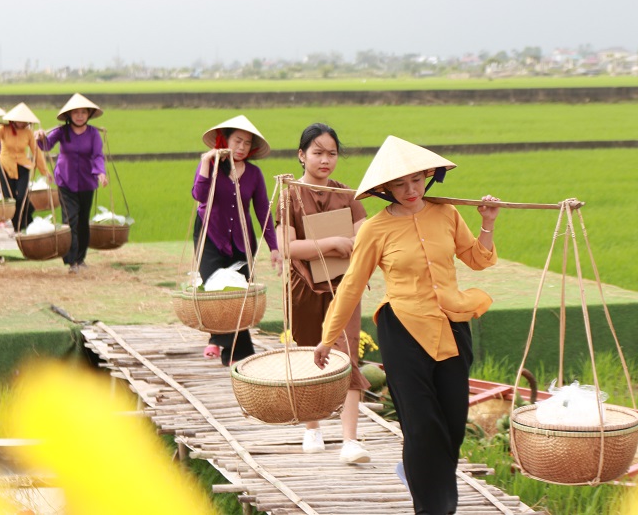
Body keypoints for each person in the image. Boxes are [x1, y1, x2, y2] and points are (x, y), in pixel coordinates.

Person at [314, 135, 500, 515]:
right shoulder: (374, 230)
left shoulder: (447, 213)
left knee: (452, 420)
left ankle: (414, 472)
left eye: (416, 180)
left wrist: (488, 223)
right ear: (385, 188)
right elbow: (350, 285)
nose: (410, 190)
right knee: (420, 421)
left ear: (428, 175)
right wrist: (327, 338)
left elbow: (479, 260)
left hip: (451, 325)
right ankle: (434, 508)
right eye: (399, 184)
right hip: (402, 329)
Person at [280, 123, 370, 463]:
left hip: (343, 285)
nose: (325, 160)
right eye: (317, 152)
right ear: (302, 155)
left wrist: (352, 244)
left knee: (347, 355)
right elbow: (287, 247)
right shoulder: (288, 193)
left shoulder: (347, 194)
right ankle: (312, 428)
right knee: (307, 353)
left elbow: (364, 236)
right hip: (302, 286)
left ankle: (350, 439)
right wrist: (332, 243)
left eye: (331, 153)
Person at [191, 115, 282, 366]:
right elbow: (199, 195)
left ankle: (223, 344)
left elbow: (263, 210)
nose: (241, 147)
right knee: (215, 287)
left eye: (246, 143)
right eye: (237, 141)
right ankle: (236, 352)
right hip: (210, 235)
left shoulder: (254, 173)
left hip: (242, 241)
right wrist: (206, 162)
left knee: (238, 295)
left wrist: (274, 247)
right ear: (225, 141)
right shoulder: (212, 167)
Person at [37, 93, 108, 274]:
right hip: (65, 181)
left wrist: (100, 172)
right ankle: (71, 261)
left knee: (83, 221)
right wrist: (40, 137)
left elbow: (98, 155)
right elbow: (45, 145)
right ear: (69, 115)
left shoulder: (93, 134)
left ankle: (80, 258)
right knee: (70, 221)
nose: (79, 116)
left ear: (88, 115)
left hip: (86, 182)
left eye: (83, 112)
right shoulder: (62, 131)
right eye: (75, 112)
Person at [0, 103, 49, 233]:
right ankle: (19, 227)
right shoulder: (2, 129)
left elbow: (36, 151)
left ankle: (25, 223)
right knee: (10, 199)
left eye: (24, 121)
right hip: (5, 166)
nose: (22, 123)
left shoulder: (28, 133)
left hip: (23, 166)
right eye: (19, 120)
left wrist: (45, 171)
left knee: (22, 197)